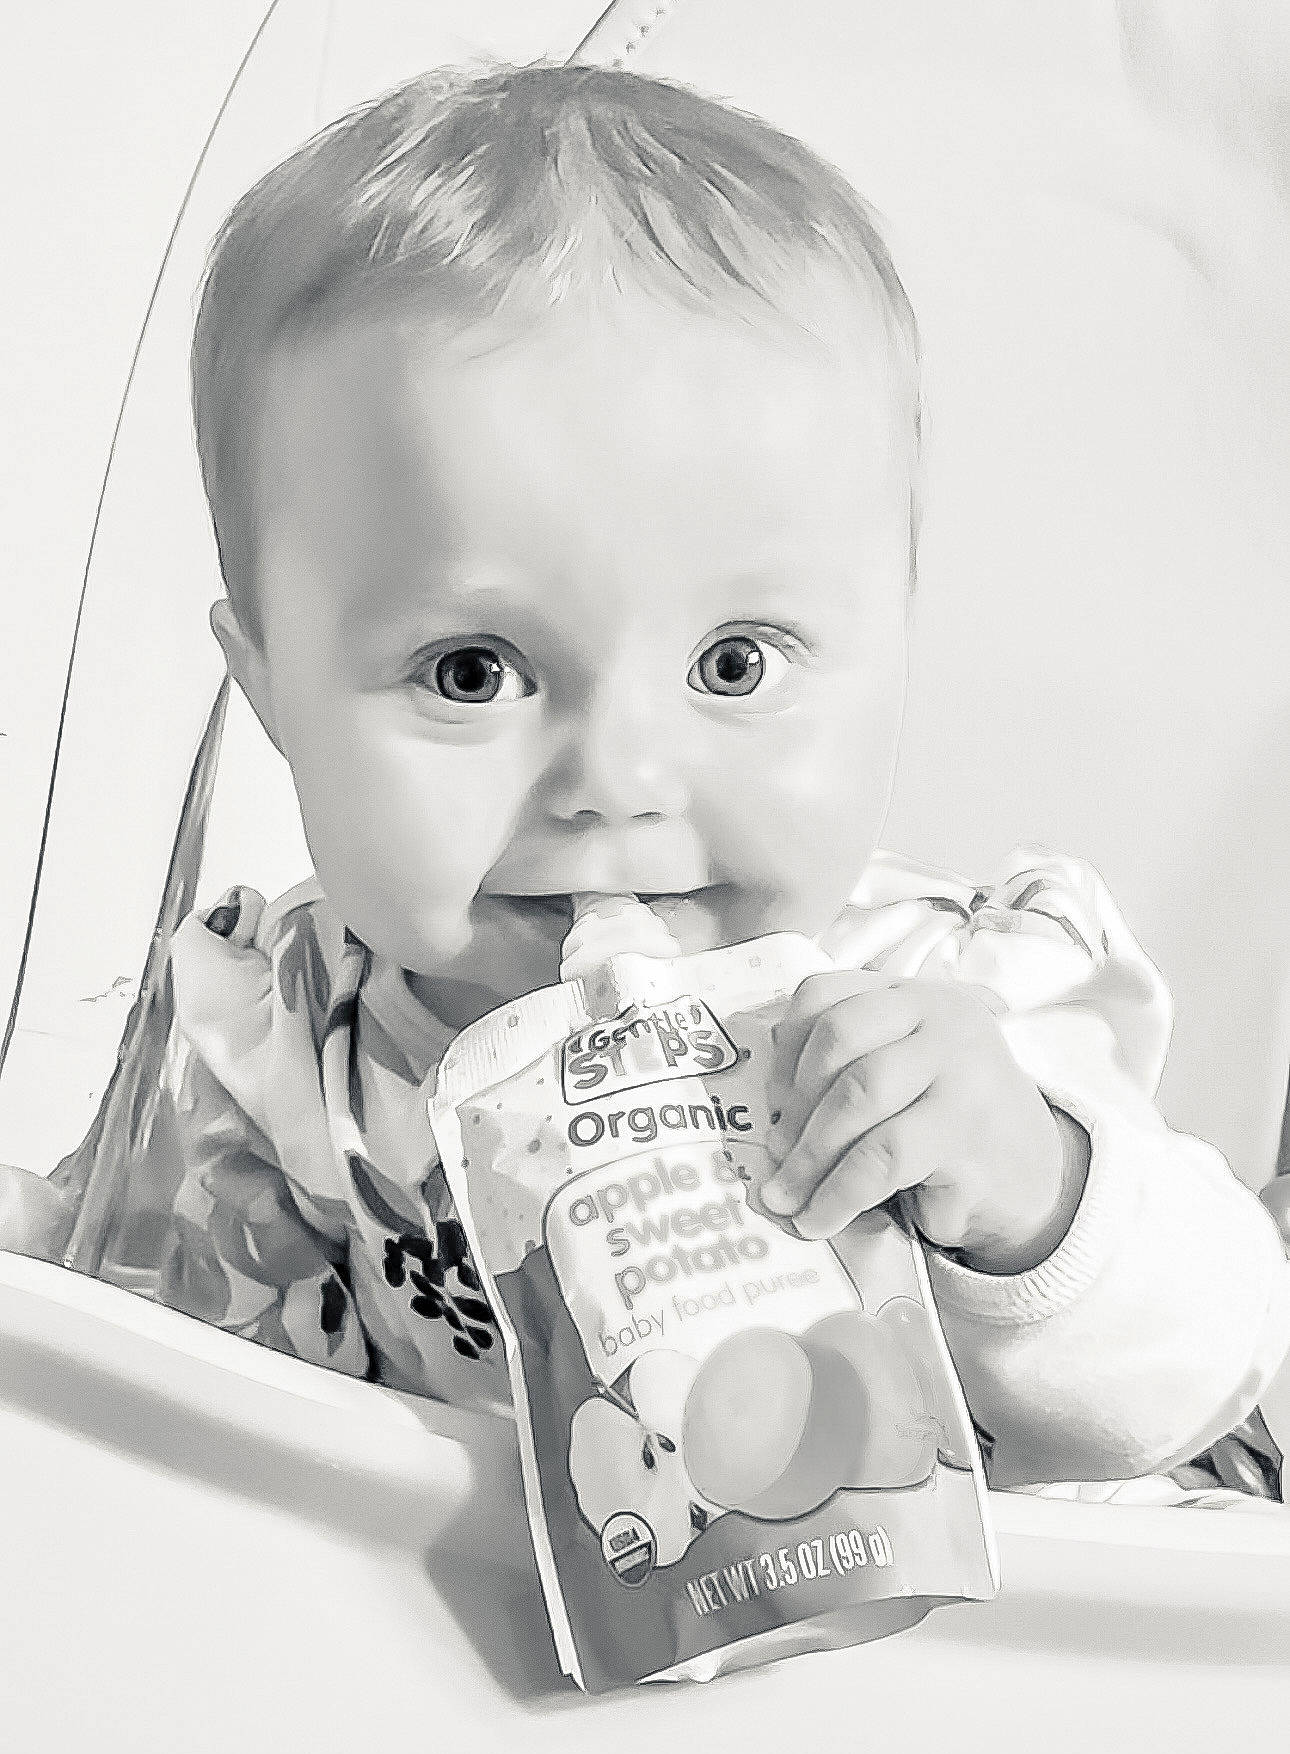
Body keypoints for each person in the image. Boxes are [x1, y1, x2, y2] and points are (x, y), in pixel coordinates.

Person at [2, 61, 1287, 1492]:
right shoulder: (276, 1059)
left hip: (985, 1684)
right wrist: (54, 1272)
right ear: (272, 696)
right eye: (471, 673)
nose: (615, 782)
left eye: (733, 664)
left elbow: (1211, 1358)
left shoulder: (954, 1009)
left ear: (895, 640)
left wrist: (1033, 1199)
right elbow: (169, 1404)